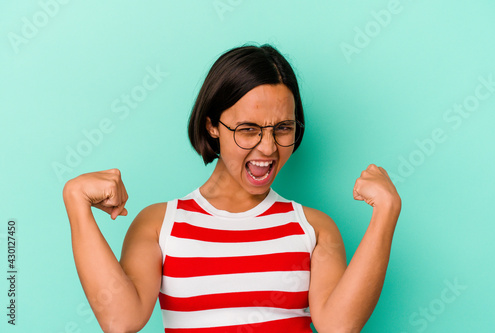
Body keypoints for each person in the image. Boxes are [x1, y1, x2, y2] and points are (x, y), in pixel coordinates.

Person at [63, 44, 401, 333]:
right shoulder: (159, 225)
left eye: (283, 128)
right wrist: (76, 200)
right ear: (212, 126)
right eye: (248, 129)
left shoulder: (313, 228)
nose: (268, 148)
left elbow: (339, 326)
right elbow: (121, 320)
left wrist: (386, 213)